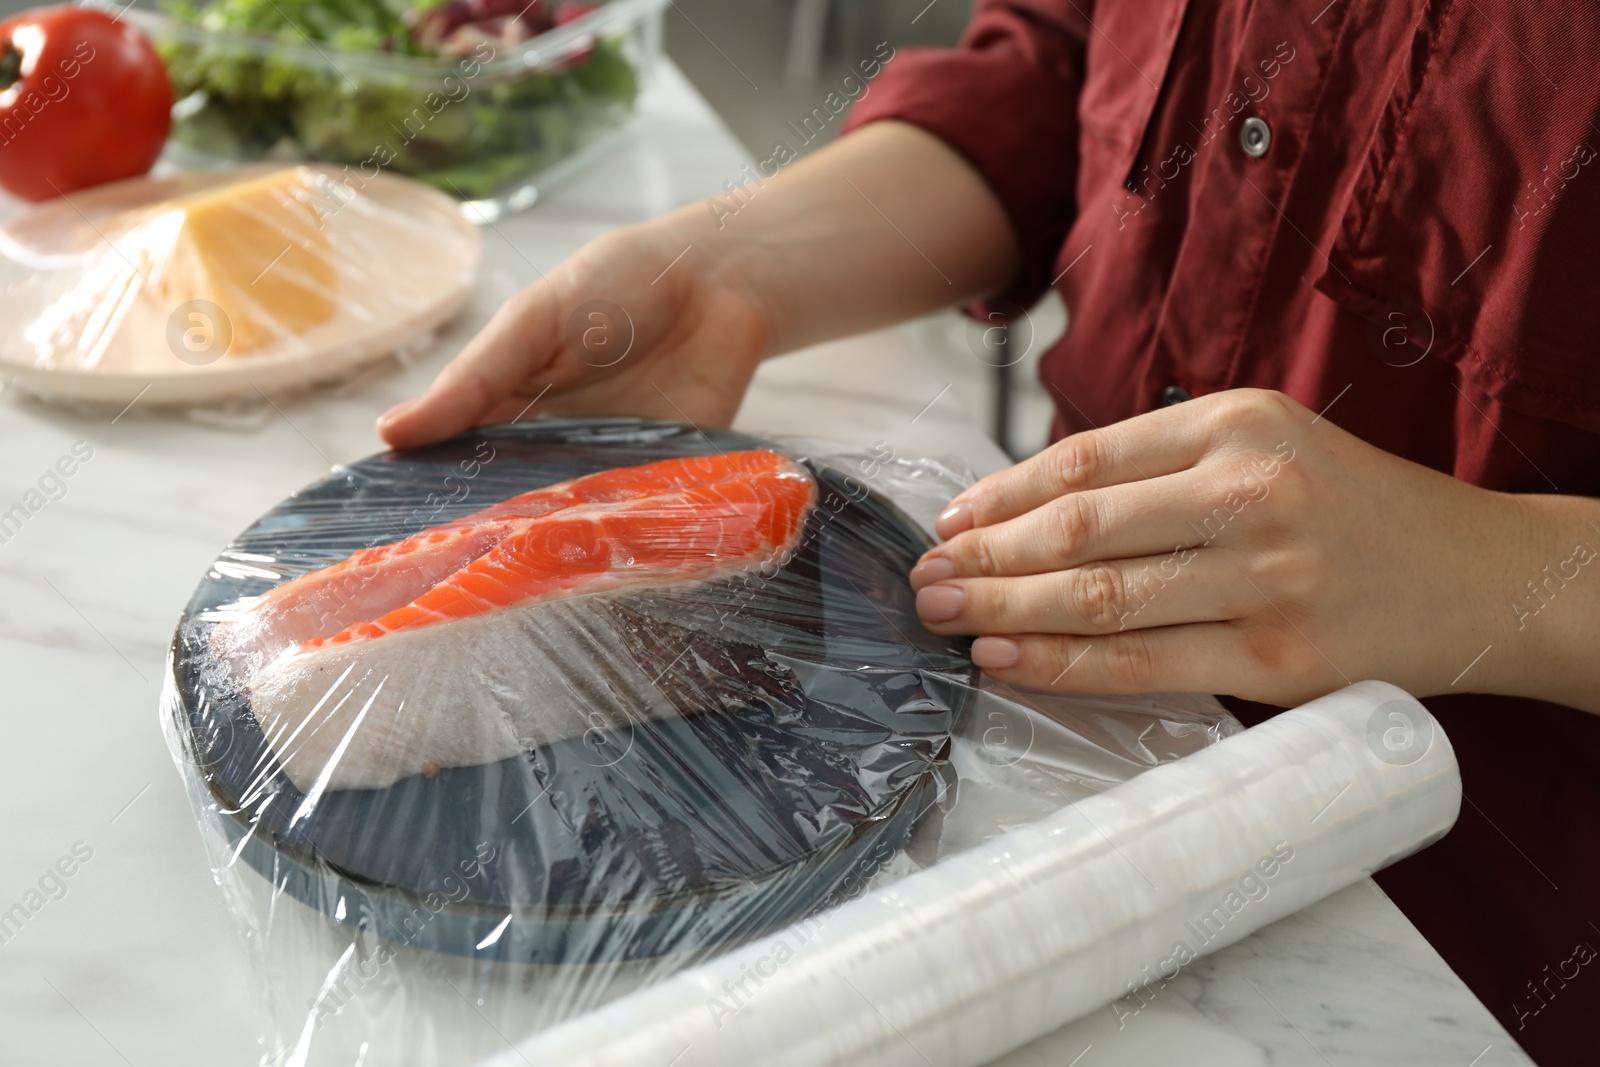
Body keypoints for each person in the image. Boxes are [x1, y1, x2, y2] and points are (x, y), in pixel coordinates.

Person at [377, 2, 1600, 1061]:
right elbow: (1061, 69)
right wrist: (737, 266)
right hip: (1066, 735)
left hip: (1490, 923)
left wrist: (1498, 579)